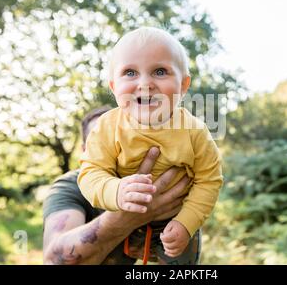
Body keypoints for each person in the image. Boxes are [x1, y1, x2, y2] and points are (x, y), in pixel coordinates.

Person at [78, 27, 223, 265]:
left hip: (175, 220)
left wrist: (186, 223)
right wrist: (116, 191)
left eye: (159, 71)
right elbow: (90, 173)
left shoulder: (195, 131)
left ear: (183, 85)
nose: (145, 83)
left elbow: (209, 180)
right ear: (114, 87)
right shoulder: (107, 127)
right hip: (119, 220)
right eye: (130, 72)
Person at [42, 107, 195, 264]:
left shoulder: (156, 185)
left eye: (123, 138)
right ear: (84, 151)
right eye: (99, 143)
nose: (112, 148)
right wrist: (127, 218)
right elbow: (54, 261)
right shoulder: (69, 187)